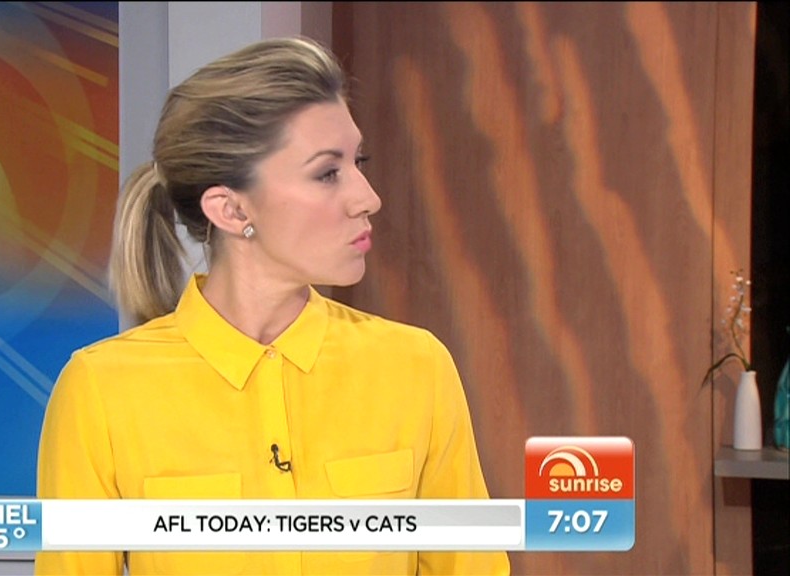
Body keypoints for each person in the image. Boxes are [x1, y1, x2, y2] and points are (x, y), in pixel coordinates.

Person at [35, 36, 510, 576]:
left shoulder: (416, 368)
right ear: (232, 210)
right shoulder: (101, 392)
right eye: (327, 173)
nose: (368, 197)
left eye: (358, 162)